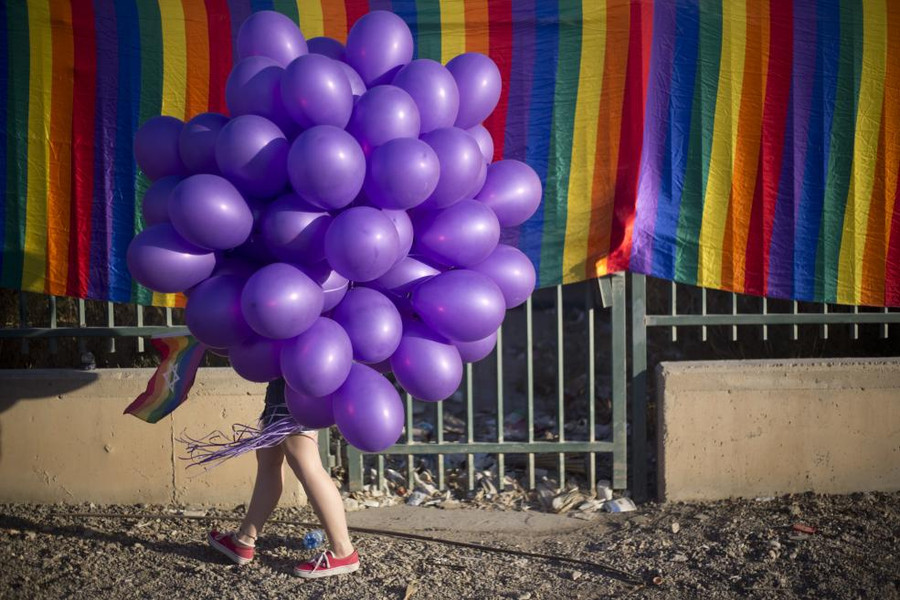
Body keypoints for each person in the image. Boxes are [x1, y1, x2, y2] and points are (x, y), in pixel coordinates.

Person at [207, 379, 359, 578]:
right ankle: (243, 540)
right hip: (284, 379)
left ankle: (343, 552)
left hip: (297, 376)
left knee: (305, 462)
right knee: (268, 459)